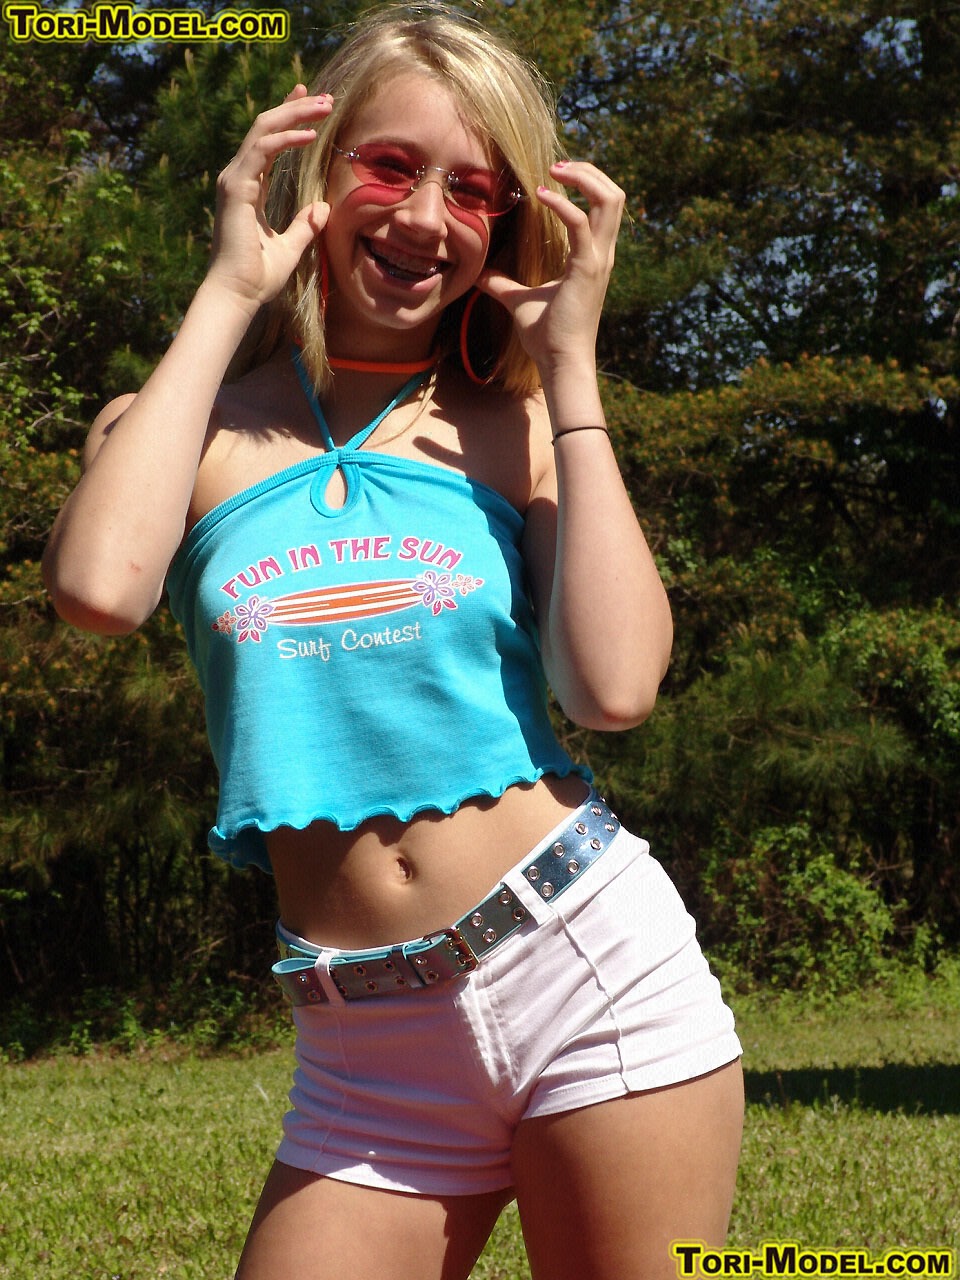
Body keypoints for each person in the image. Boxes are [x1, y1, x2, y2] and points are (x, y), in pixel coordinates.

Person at [42, 5, 744, 1277]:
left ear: (504, 226)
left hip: (586, 968)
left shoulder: (512, 427)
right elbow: (98, 588)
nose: (425, 218)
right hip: (365, 1050)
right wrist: (231, 288)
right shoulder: (183, 428)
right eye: (389, 167)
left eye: (472, 191)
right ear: (315, 173)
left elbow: (616, 685)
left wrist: (571, 374)